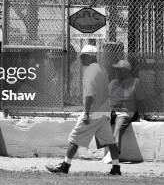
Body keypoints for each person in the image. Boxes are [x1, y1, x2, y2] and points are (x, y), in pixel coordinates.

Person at [46, 45, 122, 175]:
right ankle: (116, 168)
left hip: (93, 113)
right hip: (104, 112)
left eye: (82, 56)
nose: (80, 59)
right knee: (110, 142)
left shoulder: (90, 71)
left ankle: (65, 166)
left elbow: (89, 95)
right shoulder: (102, 69)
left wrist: (86, 113)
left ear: (88, 57)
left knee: (74, 138)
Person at [102, 59, 144, 163]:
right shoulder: (112, 83)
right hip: (112, 111)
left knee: (118, 125)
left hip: (126, 112)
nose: (116, 72)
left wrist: (141, 116)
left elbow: (141, 101)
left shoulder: (135, 82)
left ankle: (113, 153)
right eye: (116, 69)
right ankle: (107, 149)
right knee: (97, 121)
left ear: (126, 71)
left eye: (119, 70)